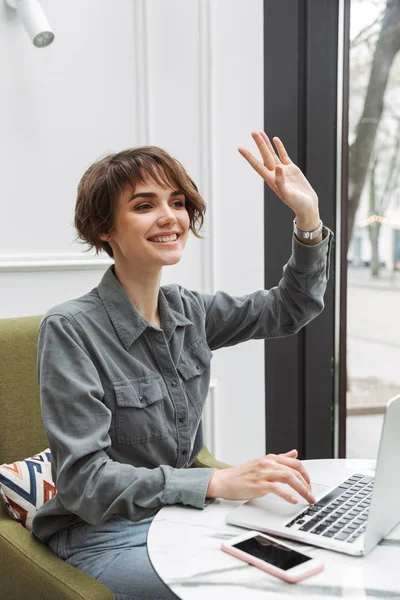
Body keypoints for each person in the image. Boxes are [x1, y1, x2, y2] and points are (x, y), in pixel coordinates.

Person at [32, 131, 333, 600]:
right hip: (101, 532)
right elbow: (84, 481)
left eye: (177, 201)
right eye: (144, 205)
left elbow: (290, 308)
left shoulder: (189, 310)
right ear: (104, 229)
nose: (170, 216)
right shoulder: (69, 329)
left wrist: (307, 216)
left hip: (181, 517)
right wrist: (215, 480)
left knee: (302, 574)